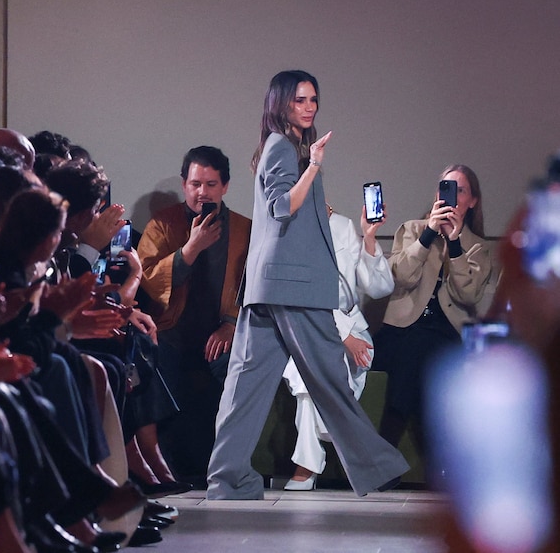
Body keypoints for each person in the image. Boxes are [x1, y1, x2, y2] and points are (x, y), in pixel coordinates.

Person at [206, 70, 409, 500]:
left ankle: (226, 480)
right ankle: (378, 466)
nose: (309, 106)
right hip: (292, 286)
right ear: (280, 104)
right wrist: (314, 165)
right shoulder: (284, 147)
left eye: (313, 99)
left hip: (269, 285)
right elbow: (282, 206)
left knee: (245, 385)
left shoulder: (281, 147)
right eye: (299, 100)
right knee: (328, 378)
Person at [136, 145, 251, 487]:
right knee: (159, 368)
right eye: (195, 183)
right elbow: (147, 278)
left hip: (225, 333)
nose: (203, 192)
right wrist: (190, 249)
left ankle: (227, 469)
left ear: (225, 186)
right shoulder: (162, 224)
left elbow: (254, 285)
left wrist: (231, 323)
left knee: (237, 376)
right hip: (171, 330)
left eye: (211, 184)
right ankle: (167, 470)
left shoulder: (245, 228)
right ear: (185, 184)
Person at [374, 164, 492, 459]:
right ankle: (436, 464)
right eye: (445, 188)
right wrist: (428, 235)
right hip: (401, 327)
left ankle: (383, 454)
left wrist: (454, 243)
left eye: (459, 189)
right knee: (411, 353)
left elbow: (468, 294)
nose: (450, 195)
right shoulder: (412, 230)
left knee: (417, 350)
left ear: (472, 200)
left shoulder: (477, 247)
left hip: (446, 333)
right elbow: (399, 277)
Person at [281, 203, 394, 490]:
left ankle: (310, 463)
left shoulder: (342, 226)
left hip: (353, 331)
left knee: (316, 370)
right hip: (310, 330)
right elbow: (302, 296)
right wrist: (342, 337)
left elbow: (379, 288)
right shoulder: (287, 229)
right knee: (304, 368)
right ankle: (310, 463)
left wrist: (369, 237)